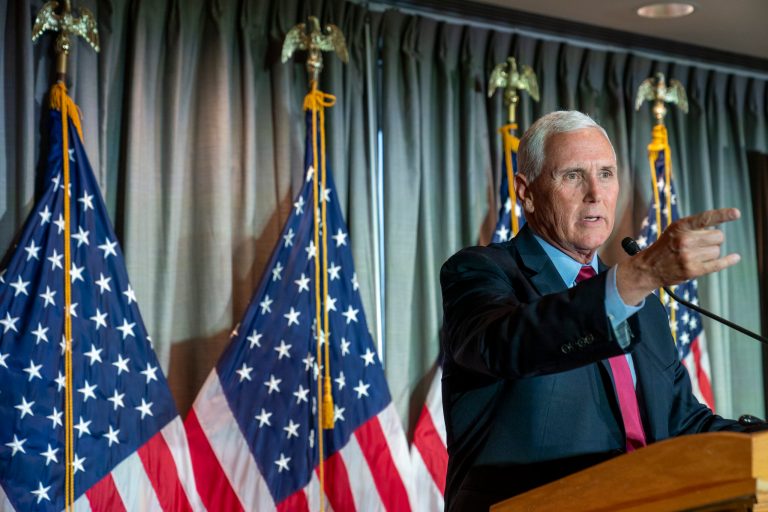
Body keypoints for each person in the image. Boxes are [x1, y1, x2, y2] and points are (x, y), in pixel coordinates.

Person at [439, 110, 762, 511]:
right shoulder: (481, 271)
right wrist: (636, 277)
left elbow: (682, 424)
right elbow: (505, 344)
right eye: (573, 175)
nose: (595, 192)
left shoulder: (643, 305)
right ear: (526, 192)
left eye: (606, 173)